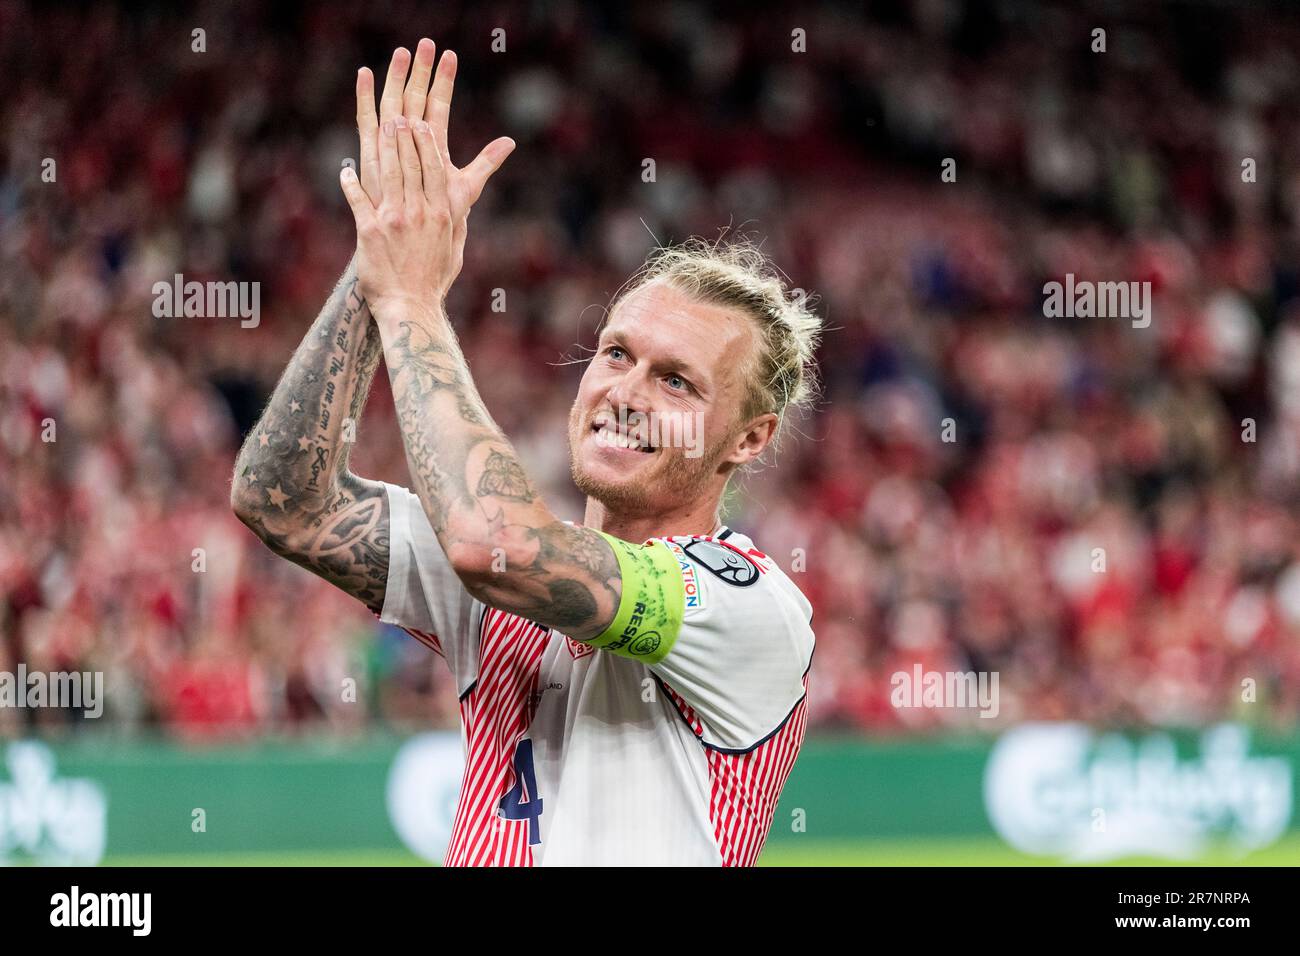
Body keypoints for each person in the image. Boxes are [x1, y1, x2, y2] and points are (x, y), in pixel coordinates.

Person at [231, 39, 820, 866]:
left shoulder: (748, 606)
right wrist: (374, 271)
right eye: (617, 354)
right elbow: (281, 499)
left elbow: (494, 546)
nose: (627, 390)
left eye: (678, 382)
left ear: (750, 438)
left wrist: (409, 299)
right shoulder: (507, 577)